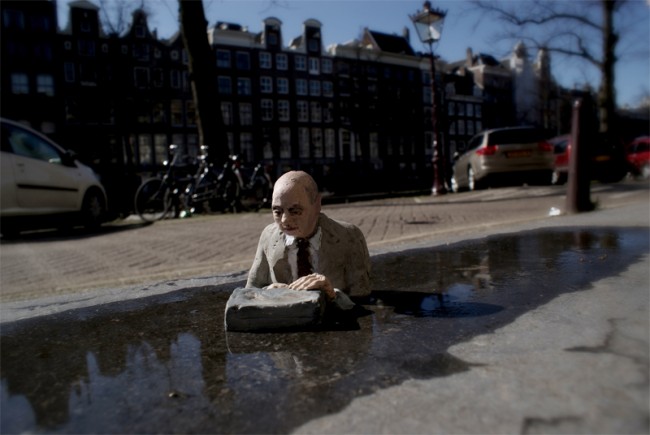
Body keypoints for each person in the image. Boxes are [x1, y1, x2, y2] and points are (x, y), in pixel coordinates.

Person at [245, 171, 371, 301]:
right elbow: (249, 292)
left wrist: (332, 294)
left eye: (295, 211)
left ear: (317, 205)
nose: (284, 220)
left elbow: (363, 295)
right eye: (277, 211)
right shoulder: (268, 236)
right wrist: (268, 293)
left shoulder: (349, 237)